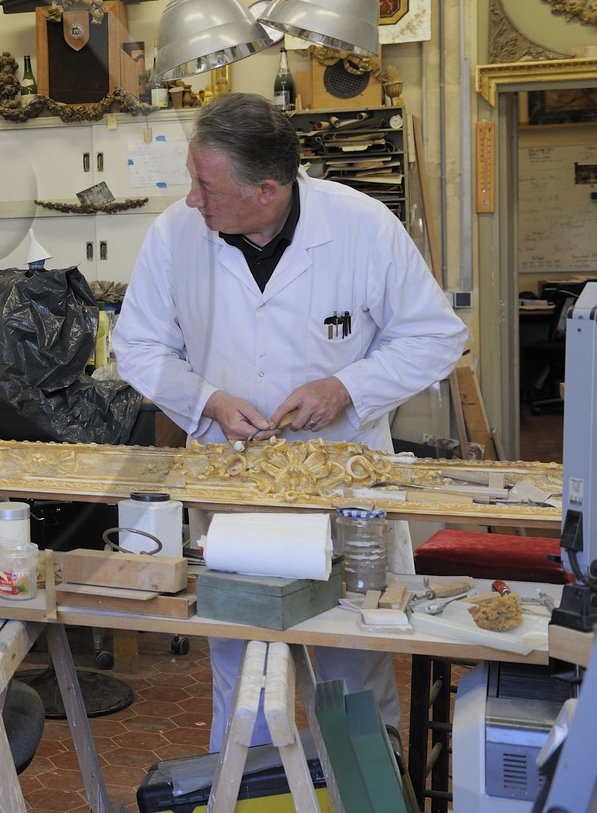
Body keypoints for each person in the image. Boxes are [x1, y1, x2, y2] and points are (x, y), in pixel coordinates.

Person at [113, 92, 467, 750]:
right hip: (233, 491)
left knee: (351, 670)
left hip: (344, 491)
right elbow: (135, 346)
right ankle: (245, 789)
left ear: (267, 190)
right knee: (243, 670)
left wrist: (346, 387)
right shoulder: (175, 234)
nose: (192, 199)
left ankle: (360, 788)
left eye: (205, 185)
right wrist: (209, 401)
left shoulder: (361, 228)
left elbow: (435, 336)